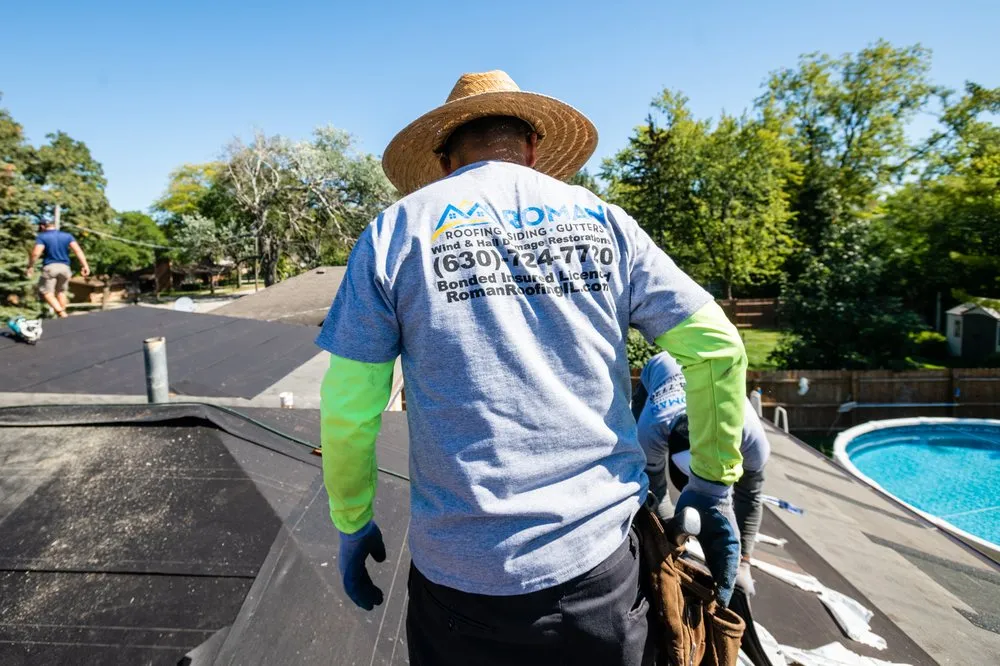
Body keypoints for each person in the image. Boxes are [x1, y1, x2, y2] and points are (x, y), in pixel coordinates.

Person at [316, 70, 748, 666]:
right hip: (599, 574)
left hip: (458, 583)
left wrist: (351, 520)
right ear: (534, 149)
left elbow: (349, 405)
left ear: (445, 160)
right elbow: (718, 348)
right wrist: (713, 483)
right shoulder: (604, 222)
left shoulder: (396, 231)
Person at [633, 351, 769, 595]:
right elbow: (657, 489)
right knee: (633, 465)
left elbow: (750, 496)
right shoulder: (650, 429)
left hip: (707, 372)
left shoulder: (751, 437)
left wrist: (744, 562)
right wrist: (673, 546)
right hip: (660, 369)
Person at [26, 220, 90, 318]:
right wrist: (85, 265)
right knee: (61, 292)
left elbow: (35, 253)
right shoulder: (67, 236)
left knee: (46, 292)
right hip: (65, 268)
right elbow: (78, 251)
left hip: (50, 268)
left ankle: (61, 313)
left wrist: (30, 266)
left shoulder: (42, 236)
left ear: (43, 227)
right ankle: (63, 317)